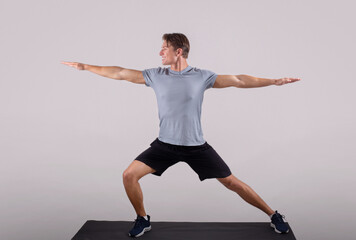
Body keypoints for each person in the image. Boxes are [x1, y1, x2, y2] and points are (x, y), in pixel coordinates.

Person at [62, 32, 300, 238]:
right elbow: (121, 73)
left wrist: (273, 81)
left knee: (231, 183)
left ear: (178, 52)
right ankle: (142, 218)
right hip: (165, 146)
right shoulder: (156, 75)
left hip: (196, 146)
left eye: (164, 48)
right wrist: (85, 67)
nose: (159, 53)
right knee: (128, 175)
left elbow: (238, 80)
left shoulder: (201, 76)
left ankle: (274, 215)